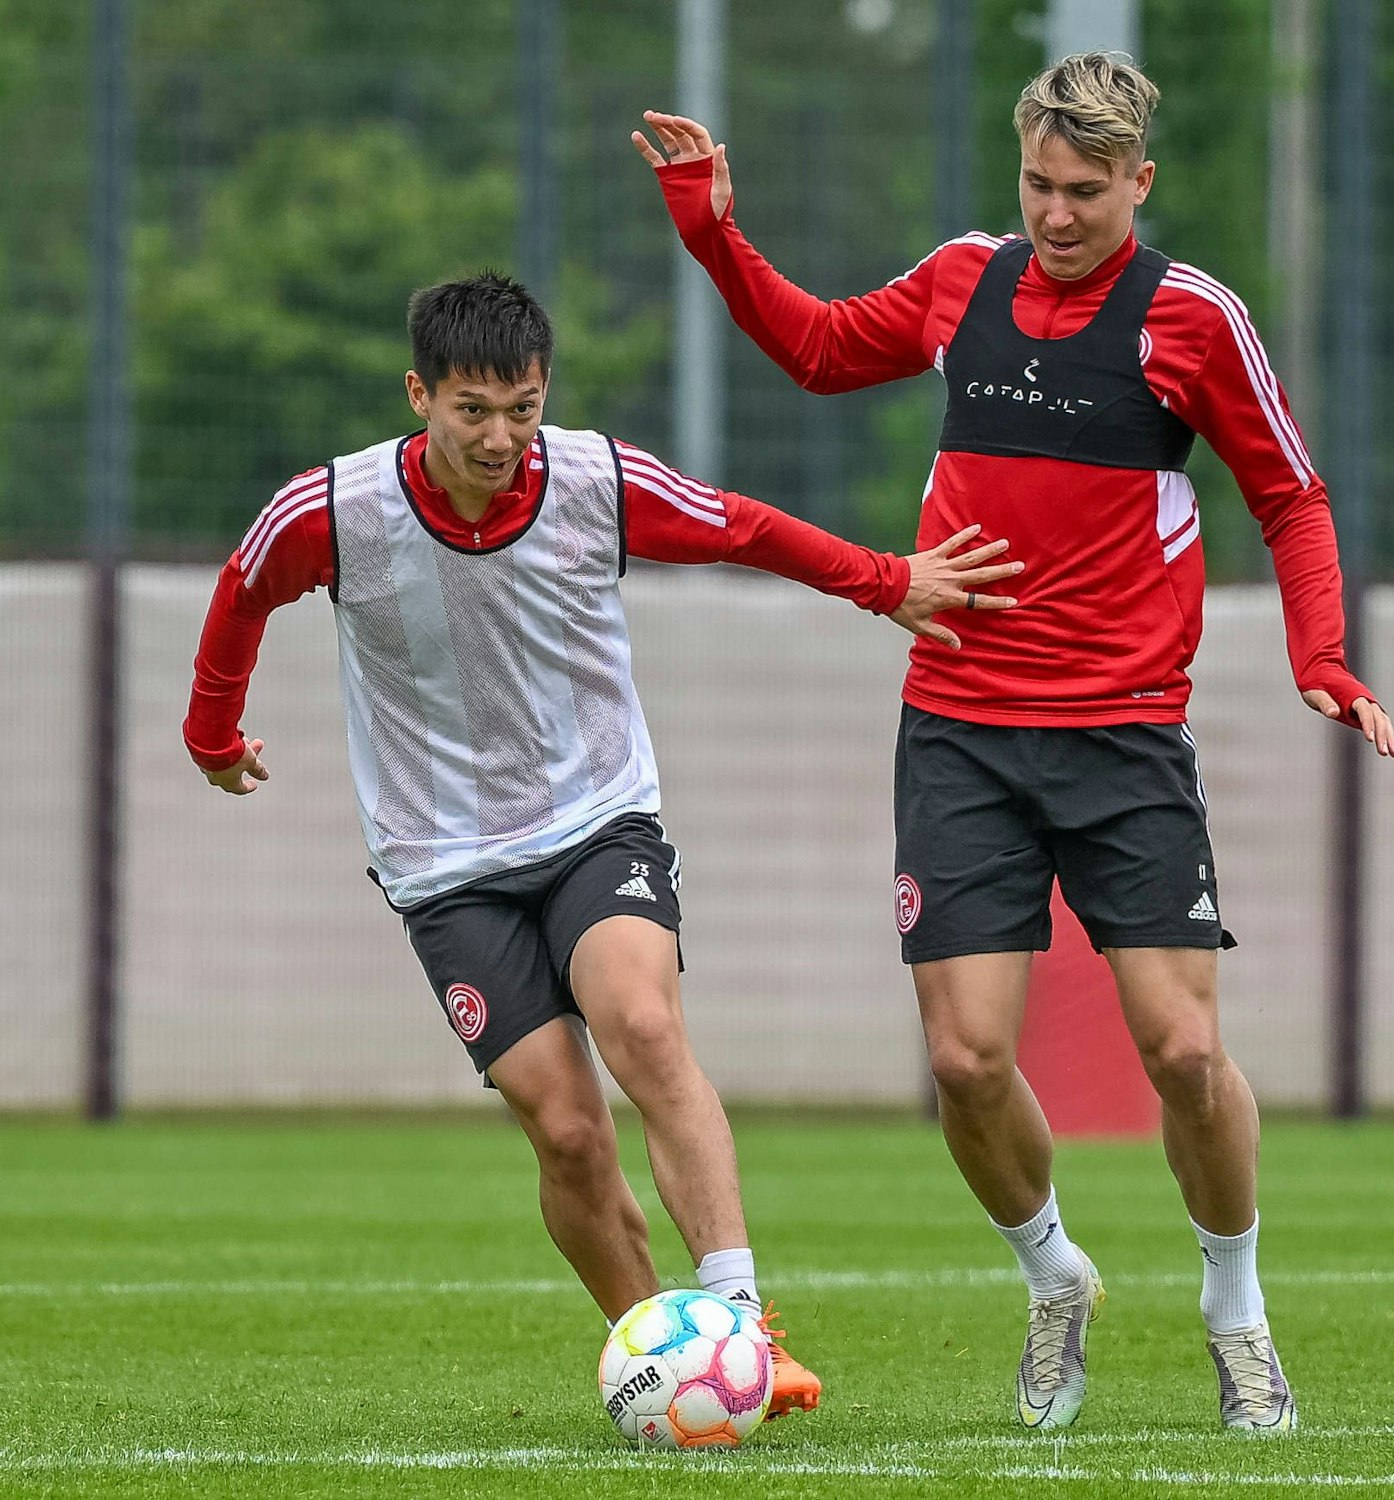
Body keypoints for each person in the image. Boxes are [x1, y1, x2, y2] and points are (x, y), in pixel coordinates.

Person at [633, 51, 1394, 1433]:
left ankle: (1237, 1310)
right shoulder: (961, 281)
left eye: (1087, 191)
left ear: (1139, 183)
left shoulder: (1192, 320)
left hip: (1122, 739)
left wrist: (1323, 657)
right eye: (1040, 183)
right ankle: (1054, 1280)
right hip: (962, 732)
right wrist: (711, 230)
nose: (1057, 213)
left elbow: (1291, 496)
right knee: (968, 1063)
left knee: (1179, 1051)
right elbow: (815, 350)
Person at [181, 271, 1021, 1421]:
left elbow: (743, 526)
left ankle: (739, 1332)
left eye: (521, 407)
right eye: (471, 410)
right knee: (569, 1134)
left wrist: (886, 583)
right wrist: (210, 733)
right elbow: (241, 591)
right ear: (418, 394)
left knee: (641, 1024)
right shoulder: (334, 511)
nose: (499, 436)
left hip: (593, 820)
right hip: (442, 863)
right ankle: (660, 1361)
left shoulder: (592, 480)